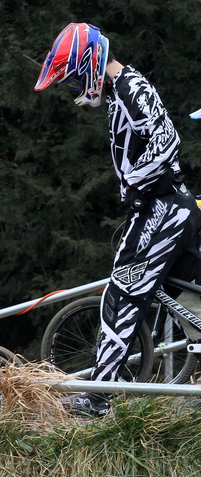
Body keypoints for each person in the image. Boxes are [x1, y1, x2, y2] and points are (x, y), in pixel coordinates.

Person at [34, 23, 201, 415]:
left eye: (75, 80)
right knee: (189, 298)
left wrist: (135, 186)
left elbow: (168, 140)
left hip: (162, 208)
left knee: (123, 292)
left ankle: (96, 397)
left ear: (90, 63)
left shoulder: (130, 88)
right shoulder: (120, 91)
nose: (75, 90)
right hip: (172, 205)